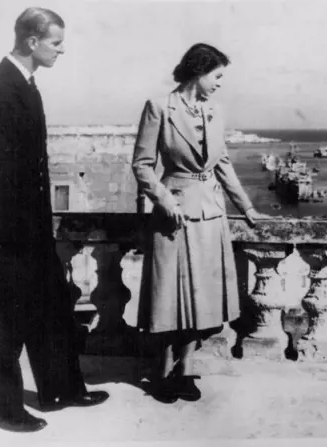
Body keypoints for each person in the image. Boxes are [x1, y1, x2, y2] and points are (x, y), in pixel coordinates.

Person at [0, 7, 108, 432]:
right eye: (56, 43)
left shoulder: (24, 85)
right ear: (32, 42)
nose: (62, 50)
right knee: (2, 317)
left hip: (31, 225)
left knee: (51, 305)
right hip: (4, 228)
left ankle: (60, 390)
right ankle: (4, 408)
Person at [132, 43, 268, 403]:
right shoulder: (159, 107)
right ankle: (162, 373)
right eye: (217, 75)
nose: (220, 83)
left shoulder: (215, 111)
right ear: (199, 71)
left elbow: (222, 165)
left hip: (210, 216)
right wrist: (163, 199)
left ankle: (186, 369)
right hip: (173, 217)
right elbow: (142, 165)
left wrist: (248, 209)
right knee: (169, 300)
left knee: (202, 301)